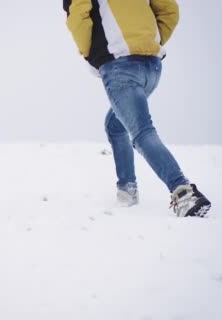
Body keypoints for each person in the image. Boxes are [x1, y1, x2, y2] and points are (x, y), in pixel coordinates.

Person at [63, 0, 211, 217]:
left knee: (142, 132)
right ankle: (127, 190)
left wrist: (93, 56)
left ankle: (183, 193)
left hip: (119, 64)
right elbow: (169, 9)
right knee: (115, 124)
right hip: (151, 67)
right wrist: (149, 42)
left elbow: (78, 15)